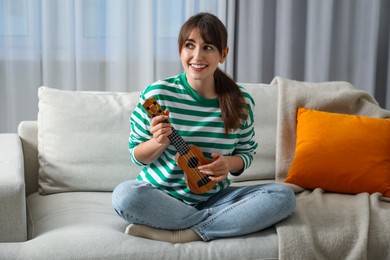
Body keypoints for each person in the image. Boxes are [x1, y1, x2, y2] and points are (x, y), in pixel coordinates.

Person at [112, 12, 296, 243]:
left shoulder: (241, 102)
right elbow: (137, 155)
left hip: (214, 198)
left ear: (223, 53)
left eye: (208, 47)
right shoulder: (157, 95)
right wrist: (158, 142)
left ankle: (186, 231)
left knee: (283, 196)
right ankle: (216, 223)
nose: (197, 56)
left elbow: (246, 154)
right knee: (125, 196)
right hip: (161, 197)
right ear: (180, 50)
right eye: (190, 45)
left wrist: (228, 163)